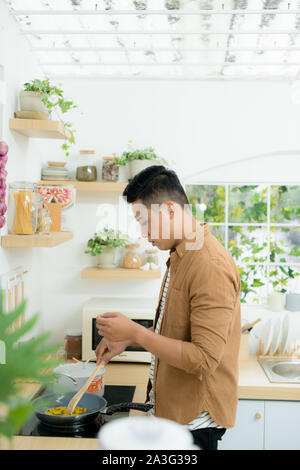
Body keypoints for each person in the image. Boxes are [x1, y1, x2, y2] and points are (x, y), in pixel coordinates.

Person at [96, 165, 241, 450]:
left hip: (193, 428)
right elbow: (175, 329)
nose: (142, 233)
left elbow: (203, 358)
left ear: (171, 211)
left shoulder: (209, 265)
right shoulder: (182, 253)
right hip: (172, 416)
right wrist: (127, 338)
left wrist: (137, 333)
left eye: (145, 221)